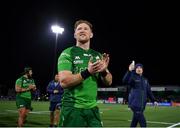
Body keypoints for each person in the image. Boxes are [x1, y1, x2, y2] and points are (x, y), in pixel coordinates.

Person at [57, 19, 112, 127]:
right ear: (74, 34)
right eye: (79, 29)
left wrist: (104, 71)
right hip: (73, 109)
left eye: (86, 29)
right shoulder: (67, 53)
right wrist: (88, 72)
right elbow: (64, 82)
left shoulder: (98, 55)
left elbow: (109, 82)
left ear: (91, 34)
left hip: (92, 109)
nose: (82, 30)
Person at [122, 61, 158, 127]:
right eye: (137, 67)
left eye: (140, 67)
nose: (139, 68)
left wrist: (154, 100)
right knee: (143, 123)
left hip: (142, 106)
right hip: (135, 105)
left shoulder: (145, 80)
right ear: (135, 69)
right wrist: (129, 71)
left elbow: (149, 91)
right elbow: (125, 80)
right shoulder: (133, 77)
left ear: (142, 69)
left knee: (134, 123)